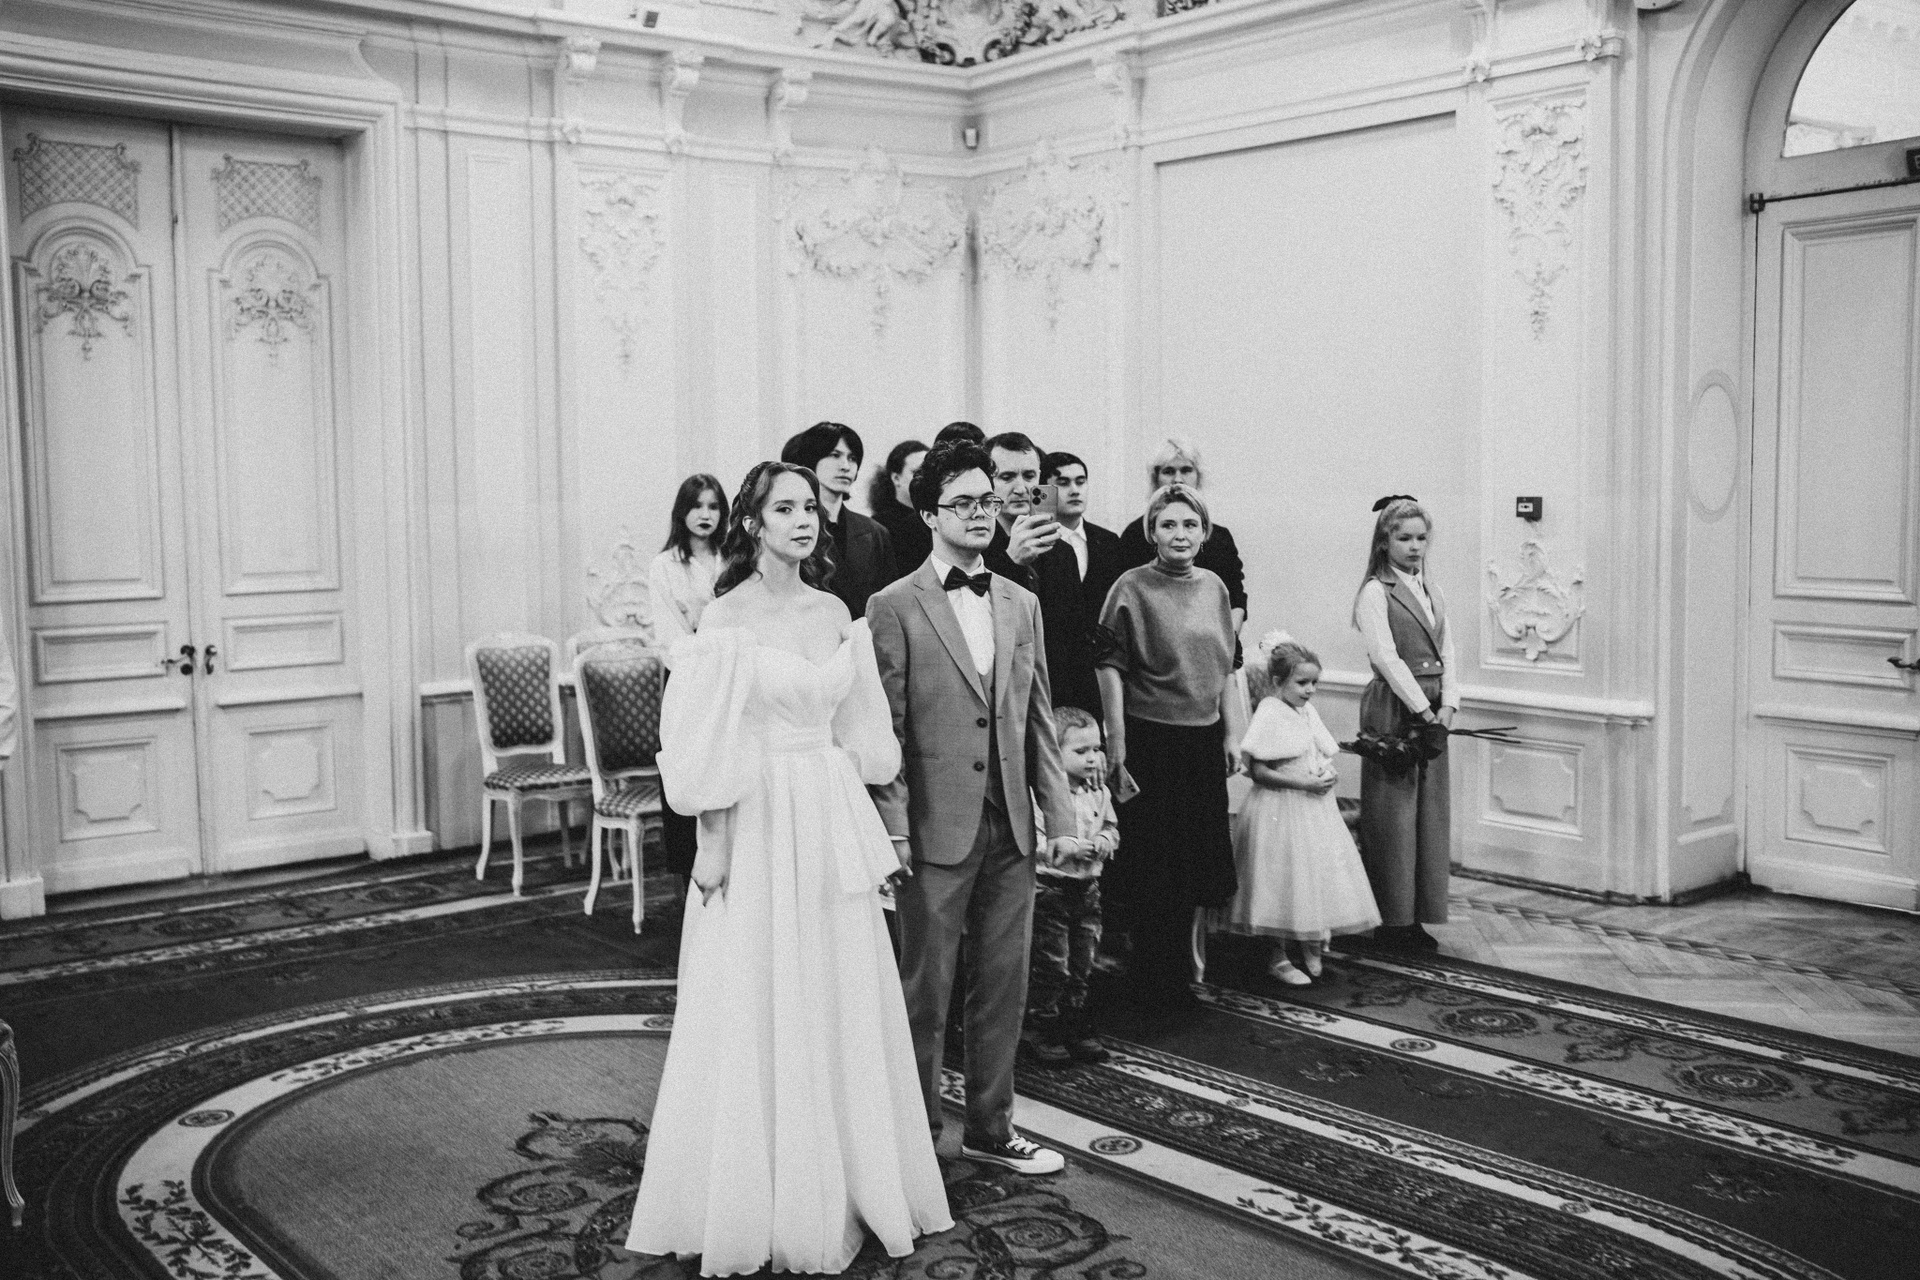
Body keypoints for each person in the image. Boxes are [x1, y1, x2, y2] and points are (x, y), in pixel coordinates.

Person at [626, 462, 951, 1275]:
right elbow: (708, 742)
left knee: (837, 987)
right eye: (786, 508)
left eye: (810, 507)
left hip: (827, 805)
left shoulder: (836, 610)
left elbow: (863, 734)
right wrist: (712, 845)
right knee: (763, 987)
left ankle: (849, 1177)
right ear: (753, 522)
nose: (804, 520)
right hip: (759, 812)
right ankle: (760, 1193)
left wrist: (877, 829)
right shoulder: (724, 618)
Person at [867, 439, 1077, 1176]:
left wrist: (1060, 814)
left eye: (988, 500)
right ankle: (919, 1139)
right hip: (932, 829)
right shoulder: (893, 605)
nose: (982, 513)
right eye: (963, 503)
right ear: (929, 514)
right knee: (925, 993)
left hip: (1011, 824)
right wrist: (895, 830)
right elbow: (887, 732)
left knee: (1003, 987)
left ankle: (993, 1129)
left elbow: (1038, 714)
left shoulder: (1022, 601)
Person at [1096, 482, 1239, 1016]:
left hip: (1201, 741)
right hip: (1149, 740)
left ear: (1204, 533)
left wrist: (1231, 733)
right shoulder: (1130, 586)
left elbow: (1226, 667)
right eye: (1168, 524)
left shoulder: (1215, 587)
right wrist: (1116, 742)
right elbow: (1108, 665)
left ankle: (1176, 982)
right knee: (1151, 869)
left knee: (1191, 868)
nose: (1180, 534)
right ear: (1151, 532)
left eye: (1190, 525)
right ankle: (1149, 985)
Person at [1216, 633, 1380, 985]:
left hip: (1314, 808)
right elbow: (1258, 772)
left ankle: (1311, 938)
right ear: (1278, 682)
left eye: (1314, 683)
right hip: (1279, 806)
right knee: (1281, 879)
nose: (1310, 690)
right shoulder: (1269, 712)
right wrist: (1303, 783)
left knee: (1315, 872)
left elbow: (1317, 752)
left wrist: (1326, 773)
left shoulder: (1307, 711)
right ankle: (1277, 955)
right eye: (1302, 683)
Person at [1353, 495, 1457, 952]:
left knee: (1428, 815)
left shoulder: (1433, 590)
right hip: (1396, 707)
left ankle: (1417, 915)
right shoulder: (1375, 592)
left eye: (1421, 538)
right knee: (1393, 816)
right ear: (1384, 542)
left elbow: (1449, 652)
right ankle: (1391, 919)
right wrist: (1423, 711)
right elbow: (1386, 658)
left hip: (1433, 710)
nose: (1415, 547)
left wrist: (1448, 706)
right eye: (1404, 538)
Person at [1021, 705, 1117, 1067]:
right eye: (1081, 751)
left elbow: (1111, 826)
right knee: (1052, 964)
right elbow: (1032, 843)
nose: (1092, 758)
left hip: (1087, 889)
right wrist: (1067, 847)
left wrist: (1106, 838)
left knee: (1082, 961)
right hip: (1051, 890)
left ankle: (1074, 1023)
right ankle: (1041, 1028)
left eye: (1096, 749)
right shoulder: (1040, 797)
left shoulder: (1099, 793)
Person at [647, 473, 728, 889]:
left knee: (726, 771)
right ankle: (686, 876)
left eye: (713, 506)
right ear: (683, 512)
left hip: (729, 676)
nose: (705, 515)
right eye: (697, 506)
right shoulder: (664, 566)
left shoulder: (733, 558)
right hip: (685, 679)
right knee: (687, 770)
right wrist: (701, 658)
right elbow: (668, 635)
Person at [1115, 437, 1248, 660]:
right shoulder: (1135, 535)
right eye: (1168, 471)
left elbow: (1236, 601)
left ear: (1198, 476)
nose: (1178, 479)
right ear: (1155, 478)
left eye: (1186, 470)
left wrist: (1224, 645)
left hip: (1212, 653)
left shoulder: (1220, 538)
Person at [782, 421, 896, 618]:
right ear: (811, 460)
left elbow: (890, 602)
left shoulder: (875, 532)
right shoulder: (792, 527)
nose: (845, 466)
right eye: (835, 455)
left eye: (852, 458)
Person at [1039, 450, 1123, 718]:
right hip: (1053, 670)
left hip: (1100, 669)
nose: (1074, 490)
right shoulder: (1036, 543)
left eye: (1080, 481)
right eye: (1063, 483)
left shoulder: (1109, 542)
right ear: (1045, 491)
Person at [868, 438, 930, 584]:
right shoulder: (879, 526)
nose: (926, 478)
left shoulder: (937, 518)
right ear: (896, 478)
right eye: (917, 472)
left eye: (930, 472)